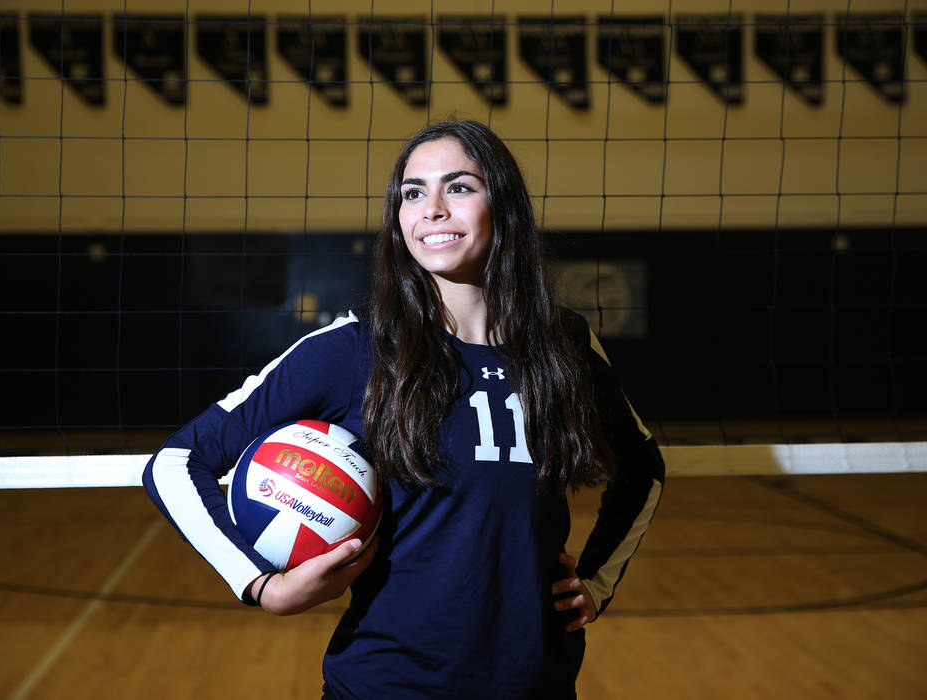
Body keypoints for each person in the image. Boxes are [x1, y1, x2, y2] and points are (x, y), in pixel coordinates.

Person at [143, 120, 665, 699]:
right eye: (413, 193)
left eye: (460, 187)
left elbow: (643, 467)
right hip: (385, 684)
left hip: (536, 683)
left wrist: (597, 579)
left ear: (506, 206)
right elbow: (175, 461)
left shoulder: (565, 344)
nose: (432, 209)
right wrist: (263, 585)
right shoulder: (351, 350)